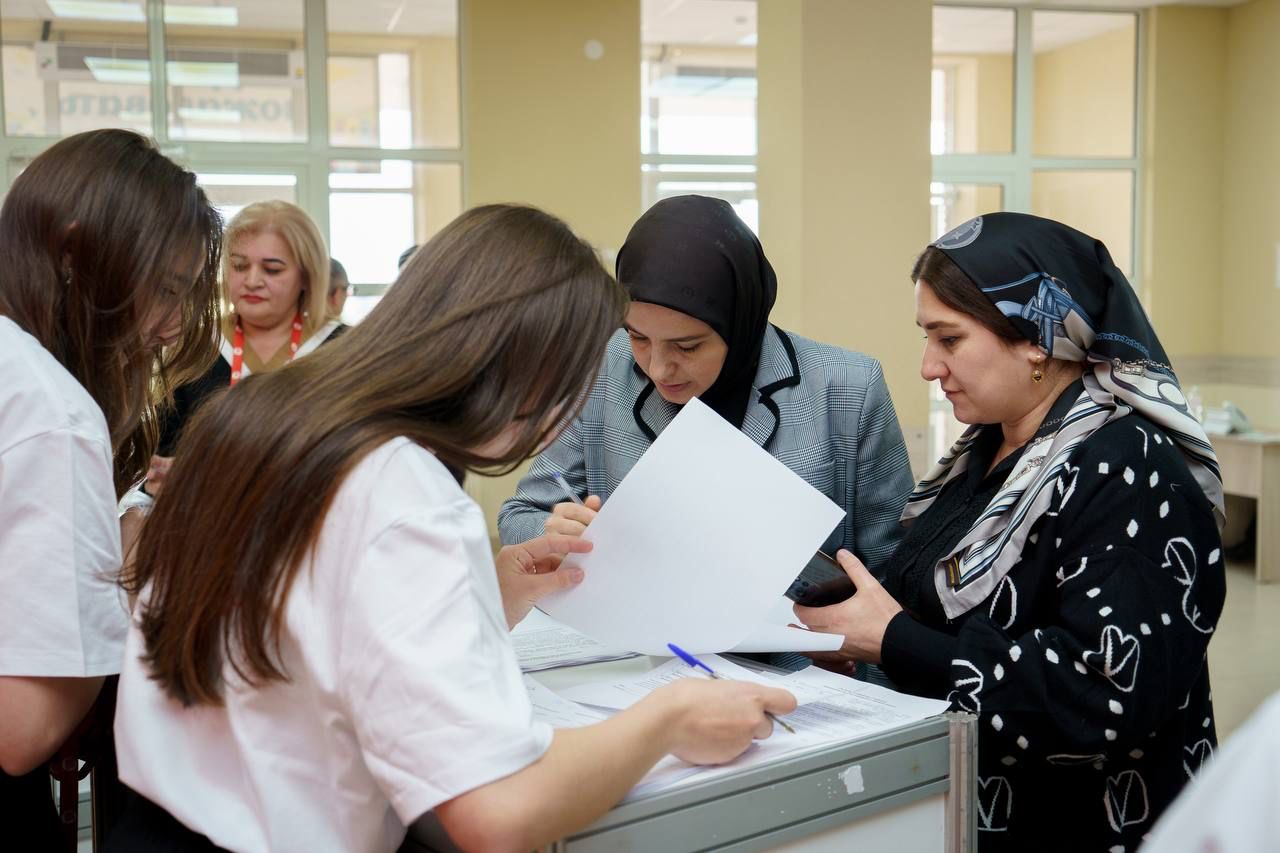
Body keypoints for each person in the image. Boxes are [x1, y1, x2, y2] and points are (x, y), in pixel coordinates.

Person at [110, 204, 795, 853]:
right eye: (575, 383)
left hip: (150, 822)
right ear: (526, 372)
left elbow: (311, 623)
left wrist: (482, 597)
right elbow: (495, 811)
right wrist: (668, 719)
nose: (568, 416)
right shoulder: (407, 493)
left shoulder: (265, 414)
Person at [792, 213, 1226, 852]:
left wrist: (894, 641)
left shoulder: (1127, 467)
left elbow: (1103, 697)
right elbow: (939, 609)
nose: (928, 367)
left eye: (949, 339)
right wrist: (852, 629)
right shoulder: (985, 455)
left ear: (1037, 341)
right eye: (927, 338)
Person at [498, 195, 914, 586]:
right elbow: (520, 515)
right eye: (638, 337)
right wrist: (554, 532)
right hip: (642, 635)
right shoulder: (605, 366)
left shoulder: (848, 388)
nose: (658, 368)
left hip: (800, 640)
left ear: (740, 322)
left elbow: (895, 570)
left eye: (687, 346)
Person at [0, 129, 222, 846]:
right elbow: (23, 729)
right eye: (167, 289)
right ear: (73, 254)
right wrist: (115, 585)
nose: (172, 328)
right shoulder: (50, 411)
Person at [143, 200, 348, 496]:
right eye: (239, 266)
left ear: (306, 276)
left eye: (272, 270)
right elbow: (161, 451)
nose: (252, 281)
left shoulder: (344, 350)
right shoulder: (194, 344)